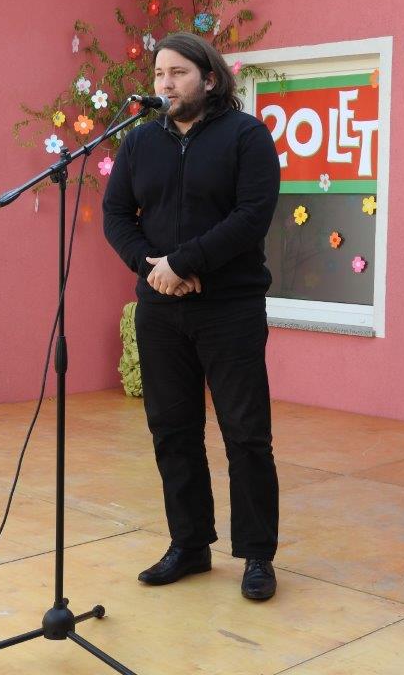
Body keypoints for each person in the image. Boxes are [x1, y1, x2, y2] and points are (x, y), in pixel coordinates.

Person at [102, 32, 280, 600]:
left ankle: (257, 554)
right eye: (160, 74)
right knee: (172, 431)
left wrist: (185, 261)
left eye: (178, 73)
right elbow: (116, 215)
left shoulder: (247, 136)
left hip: (230, 309)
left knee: (245, 435)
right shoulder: (139, 141)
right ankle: (190, 544)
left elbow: (252, 215)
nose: (166, 83)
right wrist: (154, 268)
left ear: (210, 78)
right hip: (160, 310)